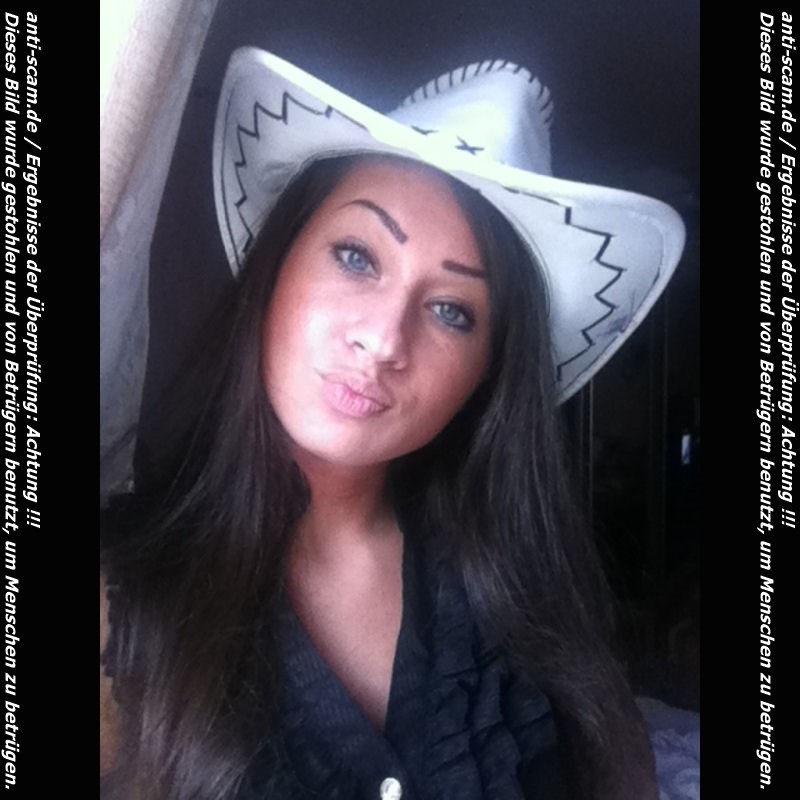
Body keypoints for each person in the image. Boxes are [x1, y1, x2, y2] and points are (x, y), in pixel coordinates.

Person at [100, 49, 686, 800]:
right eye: (356, 257)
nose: (382, 341)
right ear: (279, 266)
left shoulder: (527, 600)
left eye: (451, 311)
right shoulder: (121, 601)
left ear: (486, 374)